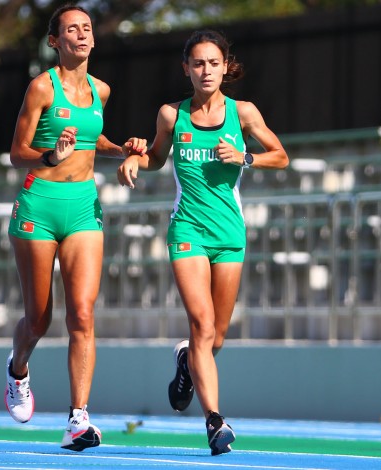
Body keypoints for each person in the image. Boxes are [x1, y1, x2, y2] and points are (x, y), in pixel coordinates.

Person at [117, 29, 289, 455]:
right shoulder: (171, 116)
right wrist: (136, 157)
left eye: (214, 63)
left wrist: (245, 157)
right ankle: (215, 421)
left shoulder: (243, 113)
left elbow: (281, 155)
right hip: (188, 230)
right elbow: (156, 158)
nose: (206, 70)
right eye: (198, 63)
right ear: (186, 69)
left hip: (229, 234)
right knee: (202, 324)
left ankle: (186, 363)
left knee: (217, 336)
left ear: (226, 66)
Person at [5, 4, 146, 453]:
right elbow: (17, 151)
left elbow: (94, 140)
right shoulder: (41, 89)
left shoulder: (101, 89)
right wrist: (50, 155)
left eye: (86, 28)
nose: (82, 35)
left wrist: (122, 146)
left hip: (84, 206)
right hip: (39, 205)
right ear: (55, 41)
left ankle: (78, 419)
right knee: (40, 318)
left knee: (82, 314)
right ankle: (18, 370)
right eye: (72, 29)